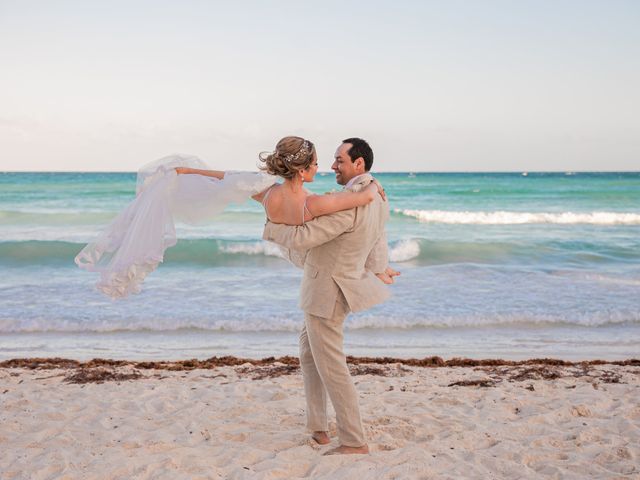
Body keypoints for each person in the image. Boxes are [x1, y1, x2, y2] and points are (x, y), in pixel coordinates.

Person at [263, 137, 395, 455]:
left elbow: (305, 237)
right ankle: (318, 427)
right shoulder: (375, 192)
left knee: (332, 365)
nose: (333, 166)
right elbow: (379, 236)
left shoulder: (352, 203)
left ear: (358, 164)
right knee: (310, 355)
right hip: (331, 286)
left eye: (339, 160)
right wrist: (380, 268)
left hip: (327, 292)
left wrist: (271, 225)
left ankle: (353, 440)